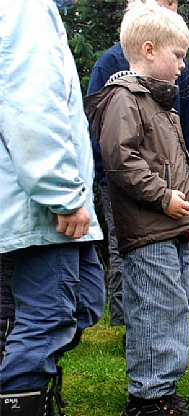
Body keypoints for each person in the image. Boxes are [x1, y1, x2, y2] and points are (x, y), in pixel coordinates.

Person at [84, 1, 189, 415]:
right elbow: (121, 161)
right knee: (154, 306)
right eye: (178, 56)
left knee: (174, 303)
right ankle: (148, 398)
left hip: (171, 226)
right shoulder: (124, 97)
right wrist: (163, 197)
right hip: (149, 225)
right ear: (150, 50)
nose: (183, 67)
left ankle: (162, 388)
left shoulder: (159, 101)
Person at [0, 0, 105, 415]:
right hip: (35, 201)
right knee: (46, 318)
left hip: (29, 195)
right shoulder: (25, 6)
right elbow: (32, 104)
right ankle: (23, 400)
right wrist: (61, 191)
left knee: (82, 301)